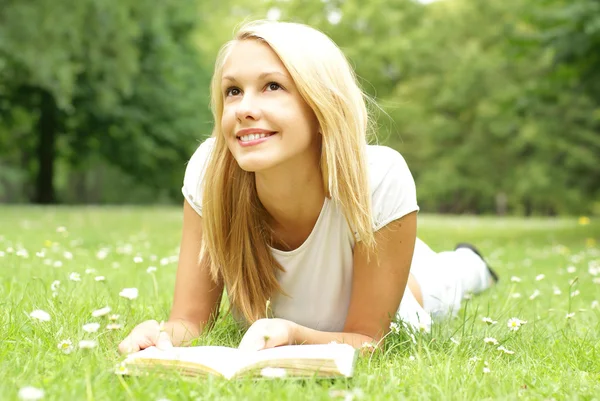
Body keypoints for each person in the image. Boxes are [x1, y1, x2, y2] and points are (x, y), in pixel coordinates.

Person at [118, 20, 498, 355]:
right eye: (233, 91)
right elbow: (190, 322)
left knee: (444, 283)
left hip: (406, 292)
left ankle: (471, 265)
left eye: (272, 86)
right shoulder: (210, 170)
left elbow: (368, 340)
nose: (244, 108)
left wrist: (293, 334)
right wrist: (159, 335)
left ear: (321, 106)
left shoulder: (378, 177)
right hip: (351, 259)